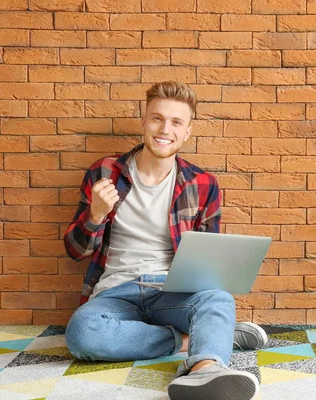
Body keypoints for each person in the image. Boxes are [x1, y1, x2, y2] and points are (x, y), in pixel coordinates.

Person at [63, 81, 266, 400]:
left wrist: (212, 283)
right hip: (117, 292)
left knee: (218, 299)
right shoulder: (104, 172)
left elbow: (210, 265)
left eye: (176, 122)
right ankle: (191, 340)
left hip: (171, 291)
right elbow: (75, 251)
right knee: (80, 333)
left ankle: (204, 369)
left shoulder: (203, 184)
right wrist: (96, 214)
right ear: (143, 121)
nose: (164, 129)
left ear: (187, 132)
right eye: (157, 118)